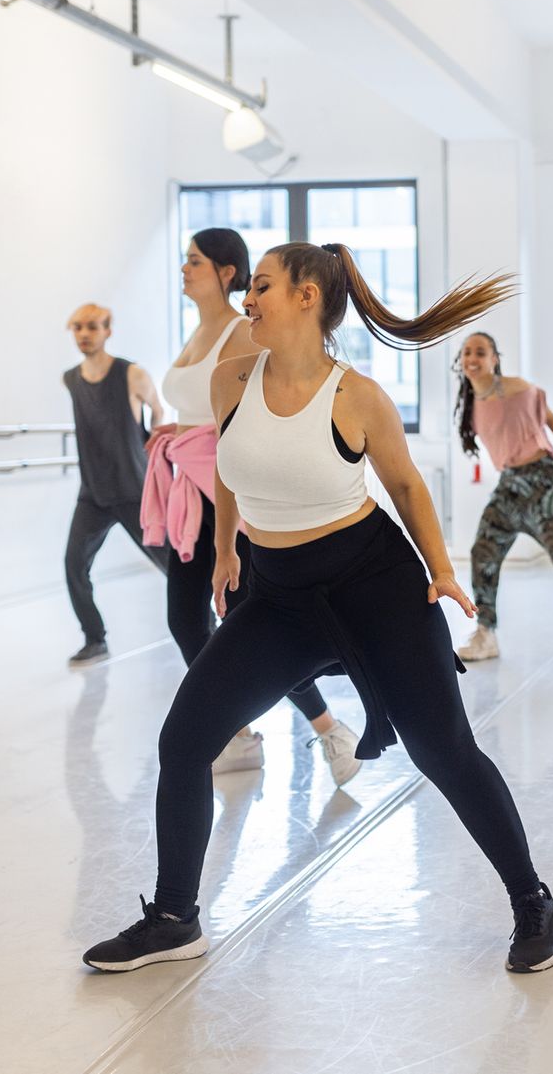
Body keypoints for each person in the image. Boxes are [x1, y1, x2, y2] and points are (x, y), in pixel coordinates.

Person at [83, 243, 553, 974]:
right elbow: (234, 475)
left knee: (444, 751)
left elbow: (404, 488)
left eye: (264, 286)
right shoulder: (229, 381)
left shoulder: (355, 395)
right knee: (185, 741)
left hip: (377, 587)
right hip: (277, 595)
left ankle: (531, 899)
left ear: (309, 297)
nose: (250, 299)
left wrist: (441, 570)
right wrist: (224, 550)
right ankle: (176, 917)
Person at [143, 229, 359, 786]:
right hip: (190, 490)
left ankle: (330, 727)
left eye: (195, 261)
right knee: (183, 617)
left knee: (249, 626)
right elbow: (206, 404)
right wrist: (178, 429)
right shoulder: (199, 331)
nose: (184, 268)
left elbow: (260, 405)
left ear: (226, 272)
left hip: (231, 493)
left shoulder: (244, 332)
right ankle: (238, 733)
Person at [452, 331, 553, 662]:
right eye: (467, 353)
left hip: (544, 483)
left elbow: (549, 418)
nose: (473, 358)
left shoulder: (518, 388)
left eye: (480, 352)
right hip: (510, 487)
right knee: (483, 551)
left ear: (495, 358)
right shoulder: (471, 404)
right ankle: (485, 633)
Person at [61, 303, 172, 666]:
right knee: (74, 564)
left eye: (92, 327)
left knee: (172, 564)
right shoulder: (71, 379)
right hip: (93, 494)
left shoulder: (132, 374)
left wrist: (150, 444)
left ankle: (208, 624)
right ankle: (95, 639)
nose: (84, 334)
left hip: (132, 490)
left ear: (108, 331)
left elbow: (158, 410)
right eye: (77, 327)